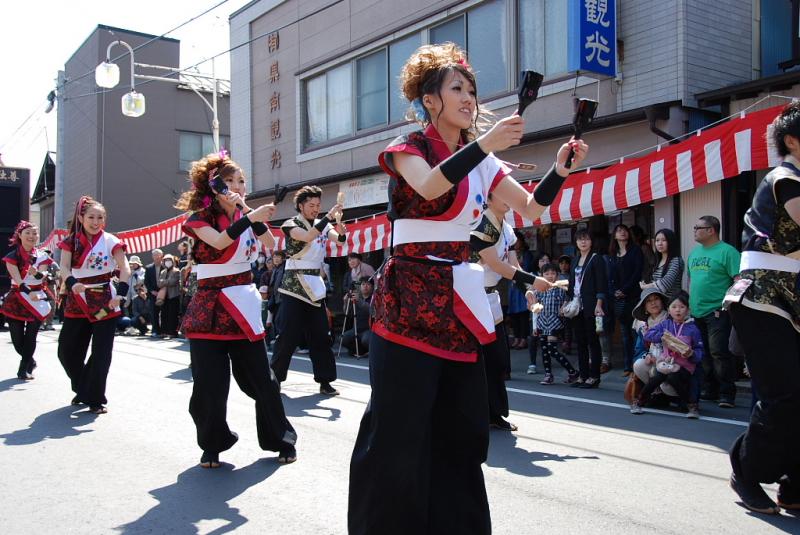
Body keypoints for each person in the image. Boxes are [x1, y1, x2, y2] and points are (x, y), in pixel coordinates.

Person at [348, 42, 588, 534]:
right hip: (408, 300)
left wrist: (561, 169)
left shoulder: (482, 160)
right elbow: (431, 186)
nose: (468, 98)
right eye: (457, 88)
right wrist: (485, 145)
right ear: (429, 99)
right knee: (397, 430)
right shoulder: (407, 149)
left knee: (462, 434)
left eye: (472, 90)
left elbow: (532, 209)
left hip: (459, 301)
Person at [177, 150, 297, 467]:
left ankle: (280, 438)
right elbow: (217, 243)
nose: (237, 187)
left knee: (263, 379)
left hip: (242, 304)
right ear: (213, 186)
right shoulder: (197, 219)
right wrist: (248, 218)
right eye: (229, 181)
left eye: (241, 181)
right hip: (209, 304)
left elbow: (271, 244)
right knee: (208, 384)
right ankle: (212, 444)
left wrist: (248, 215)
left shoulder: (246, 214)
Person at [725, 101, 800, 514]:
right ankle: (746, 469)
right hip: (761, 299)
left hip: (792, 298)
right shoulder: (784, 178)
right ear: (793, 140)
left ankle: (792, 483)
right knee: (783, 393)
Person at [470, 192, 548, 431]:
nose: (508, 199)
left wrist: (526, 289)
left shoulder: (506, 228)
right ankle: (474, 415)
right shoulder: (482, 225)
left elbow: (513, 265)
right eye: (502, 194)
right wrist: (533, 280)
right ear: (490, 199)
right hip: (471, 298)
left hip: (490, 298)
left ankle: (494, 414)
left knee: (498, 359)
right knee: (477, 360)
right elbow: (495, 264)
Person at [57, 196, 131, 414]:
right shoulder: (71, 241)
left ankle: (96, 398)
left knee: (101, 353)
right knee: (67, 350)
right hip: (78, 298)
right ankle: (83, 388)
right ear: (81, 218)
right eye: (91, 217)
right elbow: (63, 266)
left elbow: (124, 268)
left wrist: (122, 294)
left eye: (100, 217)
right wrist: (71, 282)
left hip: (104, 300)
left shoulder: (110, 240)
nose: (95, 221)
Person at [269, 185, 346, 396]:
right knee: (288, 335)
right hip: (294, 285)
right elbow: (308, 236)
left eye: (318, 205)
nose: (315, 208)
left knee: (321, 335)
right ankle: (275, 378)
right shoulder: (291, 224)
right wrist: (329, 217)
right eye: (311, 205)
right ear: (301, 205)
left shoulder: (323, 225)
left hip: (315, 286)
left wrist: (339, 227)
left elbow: (340, 241)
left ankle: (325, 380)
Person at [687, 215, 740, 408]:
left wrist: (729, 304)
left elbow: (739, 279)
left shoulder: (728, 252)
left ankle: (727, 393)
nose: (694, 230)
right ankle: (710, 389)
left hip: (718, 310)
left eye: (698, 227)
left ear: (711, 230)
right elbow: (691, 281)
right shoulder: (694, 253)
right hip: (697, 311)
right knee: (704, 353)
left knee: (719, 352)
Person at [630, 292, 703, 419]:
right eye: (674, 307)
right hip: (666, 363)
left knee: (671, 377)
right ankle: (639, 401)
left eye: (681, 307)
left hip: (685, 367)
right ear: (669, 310)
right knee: (659, 376)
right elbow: (648, 335)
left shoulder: (693, 328)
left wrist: (691, 354)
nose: (678, 310)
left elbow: (699, 351)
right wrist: (663, 337)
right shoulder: (666, 324)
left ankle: (692, 405)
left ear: (688, 310)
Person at [2, 221, 53, 380]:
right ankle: (30, 361)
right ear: (20, 235)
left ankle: (24, 369)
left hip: (37, 298)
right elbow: (17, 280)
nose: (31, 236)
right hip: (18, 297)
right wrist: (28, 290)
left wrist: (36, 273)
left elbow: (44, 276)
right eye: (28, 233)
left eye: (34, 233)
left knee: (31, 336)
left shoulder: (43, 256)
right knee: (17, 340)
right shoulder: (12, 256)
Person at [567, 230, 607, 389]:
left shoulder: (596, 259)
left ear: (591, 241)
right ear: (576, 242)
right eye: (580, 239)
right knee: (581, 342)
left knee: (593, 341)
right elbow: (571, 284)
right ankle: (582, 376)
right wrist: (567, 302)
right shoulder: (575, 259)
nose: (583, 242)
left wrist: (599, 304)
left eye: (586, 239)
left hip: (591, 305)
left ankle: (594, 377)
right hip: (577, 306)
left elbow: (601, 283)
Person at [530, 263, 578, 385]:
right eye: (546, 274)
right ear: (541, 275)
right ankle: (548, 375)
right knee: (545, 350)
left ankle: (572, 372)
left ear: (557, 275)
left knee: (552, 349)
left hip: (555, 322)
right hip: (541, 322)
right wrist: (535, 326)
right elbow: (535, 309)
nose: (550, 276)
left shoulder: (561, 288)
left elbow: (570, 297)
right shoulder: (538, 290)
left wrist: (564, 305)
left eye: (553, 273)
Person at [607, 224, 644, 378]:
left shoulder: (636, 251)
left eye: (624, 230)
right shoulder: (612, 254)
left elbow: (637, 273)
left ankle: (637, 365)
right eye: (618, 230)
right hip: (618, 298)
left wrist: (625, 290)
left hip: (633, 296)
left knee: (636, 332)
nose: (622, 232)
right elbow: (609, 276)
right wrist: (615, 290)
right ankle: (627, 366)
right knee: (624, 334)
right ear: (614, 235)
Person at [630, 288, 675, 399]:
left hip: (670, 362)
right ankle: (656, 392)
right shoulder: (644, 327)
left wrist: (661, 359)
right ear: (645, 307)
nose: (653, 303)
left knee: (667, 385)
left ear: (662, 302)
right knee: (638, 364)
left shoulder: (672, 320)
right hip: (654, 362)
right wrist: (647, 356)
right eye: (649, 301)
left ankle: (676, 396)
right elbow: (639, 350)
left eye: (656, 299)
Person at [639, 228, 684, 301]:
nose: (660, 243)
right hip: (659, 304)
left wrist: (645, 286)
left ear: (671, 242)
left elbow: (664, 285)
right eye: (657, 240)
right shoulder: (657, 260)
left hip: (672, 304)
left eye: (664, 240)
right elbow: (654, 282)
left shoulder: (676, 261)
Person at [507, 236, 534, 350]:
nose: (516, 243)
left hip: (522, 286)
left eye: (517, 241)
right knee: (513, 315)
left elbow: (526, 268)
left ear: (522, 242)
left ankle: (523, 338)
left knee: (523, 314)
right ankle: (517, 338)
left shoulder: (526, 254)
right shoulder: (508, 253)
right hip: (512, 287)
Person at [341, 275, 373, 357]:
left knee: (366, 339)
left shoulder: (374, 298)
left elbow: (372, 311)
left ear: (372, 287)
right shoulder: (356, 297)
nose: (365, 287)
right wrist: (346, 302)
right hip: (356, 329)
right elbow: (348, 314)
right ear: (360, 286)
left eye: (368, 284)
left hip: (369, 329)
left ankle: (369, 351)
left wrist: (359, 301)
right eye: (363, 284)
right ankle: (360, 351)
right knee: (344, 338)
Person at [158, 253, 181, 338]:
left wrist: (164, 281)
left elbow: (173, 282)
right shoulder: (163, 271)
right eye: (166, 260)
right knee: (164, 314)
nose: (167, 262)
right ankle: (164, 331)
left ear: (172, 261)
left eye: (169, 260)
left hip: (173, 295)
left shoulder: (176, 271)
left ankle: (172, 332)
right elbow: (159, 284)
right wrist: (166, 281)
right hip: (164, 296)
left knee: (173, 315)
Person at [144, 249, 164, 338]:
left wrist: (162, 291)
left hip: (164, 292)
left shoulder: (165, 267)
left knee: (164, 312)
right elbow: (146, 282)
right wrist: (152, 291)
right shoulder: (148, 268)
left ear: (162, 256)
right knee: (154, 313)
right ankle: (155, 330)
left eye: (158, 255)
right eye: (154, 255)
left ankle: (164, 330)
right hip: (152, 294)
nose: (156, 257)